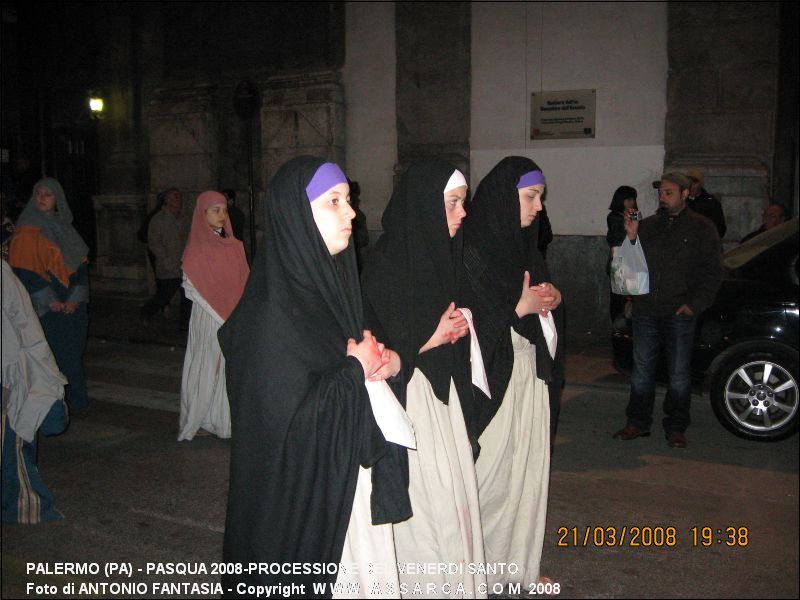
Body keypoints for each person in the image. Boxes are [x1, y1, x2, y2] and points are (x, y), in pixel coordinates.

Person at [218, 157, 410, 598]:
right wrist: (353, 370)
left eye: (349, 200)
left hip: (342, 486)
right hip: (303, 510)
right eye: (334, 202)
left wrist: (383, 364)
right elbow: (284, 434)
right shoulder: (268, 317)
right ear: (297, 216)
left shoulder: (336, 288)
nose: (352, 212)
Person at [361, 161, 487, 597]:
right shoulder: (387, 266)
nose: (463, 213)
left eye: (463, 202)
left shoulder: (446, 254)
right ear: (424, 208)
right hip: (412, 401)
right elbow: (380, 350)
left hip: (443, 395)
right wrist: (430, 338)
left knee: (453, 503)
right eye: (453, 203)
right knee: (430, 510)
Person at [460, 157, 565, 591]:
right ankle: (475, 569)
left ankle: (515, 566)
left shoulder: (526, 246)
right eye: (530, 197)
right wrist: (516, 309)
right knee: (493, 478)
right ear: (506, 198)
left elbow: (538, 298)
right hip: (496, 380)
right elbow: (467, 318)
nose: (539, 206)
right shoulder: (474, 248)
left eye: (540, 197)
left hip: (528, 378)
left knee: (526, 476)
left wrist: (553, 298)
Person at [613, 172, 723, 448]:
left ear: (685, 194)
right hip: (647, 309)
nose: (663, 197)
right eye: (661, 192)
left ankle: (676, 426)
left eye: (669, 192)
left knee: (678, 373)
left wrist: (695, 304)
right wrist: (632, 237)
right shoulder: (648, 225)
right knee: (642, 371)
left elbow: (712, 271)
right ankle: (637, 422)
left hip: (679, 312)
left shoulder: (702, 227)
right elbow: (629, 266)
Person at [8, 178, 91, 413]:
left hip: (71, 303)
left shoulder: (64, 227)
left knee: (73, 352)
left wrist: (75, 298)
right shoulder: (27, 229)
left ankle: (73, 401)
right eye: (38, 194)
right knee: (55, 356)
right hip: (48, 305)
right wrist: (50, 300)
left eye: (48, 194)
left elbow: (80, 267)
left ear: (58, 199)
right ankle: (62, 405)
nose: (42, 199)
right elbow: (23, 270)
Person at [178, 191, 249, 441]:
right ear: (202, 214)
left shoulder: (235, 246)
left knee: (227, 370)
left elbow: (244, 282)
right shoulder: (197, 248)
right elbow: (191, 286)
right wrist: (219, 314)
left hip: (232, 317)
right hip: (208, 318)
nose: (221, 215)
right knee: (205, 367)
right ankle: (197, 417)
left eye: (223, 210)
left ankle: (222, 421)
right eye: (215, 210)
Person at [2, 260, 69, 523]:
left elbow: (15, 324)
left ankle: (26, 507)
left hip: (13, 368)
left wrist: (7, 379)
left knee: (14, 438)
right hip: (10, 367)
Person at [140, 187, 191, 329]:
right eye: (175, 197)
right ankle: (147, 311)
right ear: (167, 201)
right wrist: (165, 258)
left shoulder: (184, 218)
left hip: (184, 263)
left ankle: (185, 325)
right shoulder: (158, 219)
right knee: (165, 295)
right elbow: (154, 242)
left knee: (187, 295)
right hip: (168, 264)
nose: (179, 201)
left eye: (179, 197)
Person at [606, 185, 638, 324]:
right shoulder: (613, 217)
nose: (631, 203)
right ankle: (617, 326)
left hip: (633, 260)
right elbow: (618, 237)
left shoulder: (635, 214)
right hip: (619, 261)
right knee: (618, 298)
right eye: (628, 200)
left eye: (633, 200)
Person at [686, 168, 726, 239]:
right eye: (688, 182)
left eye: (694, 182)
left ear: (700, 184)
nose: (691, 186)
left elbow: (720, 229)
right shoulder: (681, 201)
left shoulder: (712, 203)